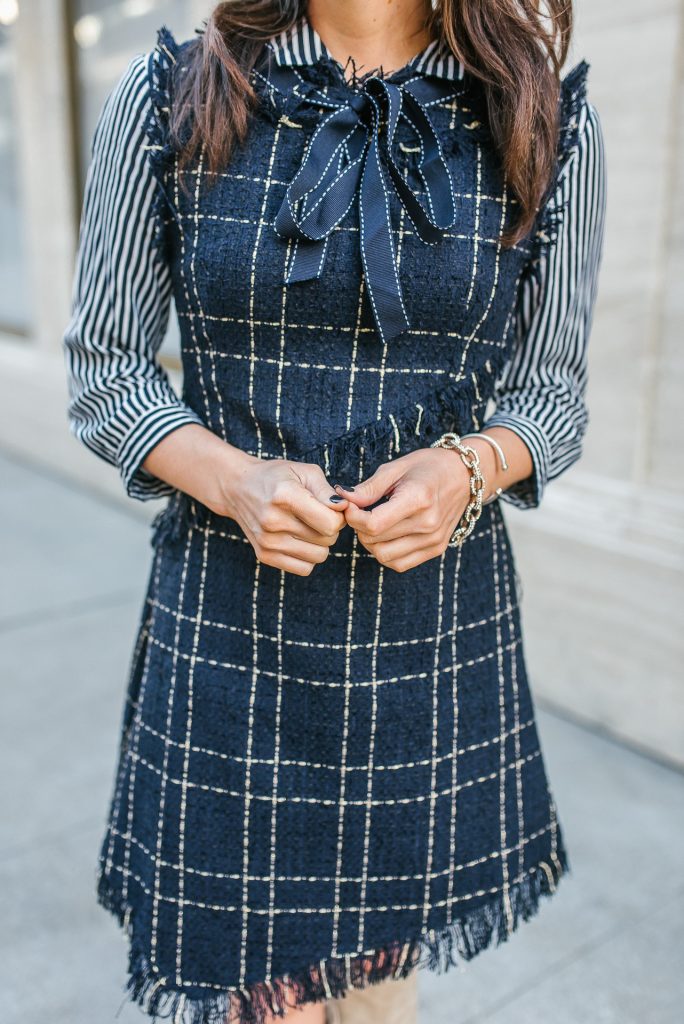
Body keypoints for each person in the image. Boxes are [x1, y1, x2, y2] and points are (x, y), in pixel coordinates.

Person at [61, 2, 606, 1023]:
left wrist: (470, 467)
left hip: (428, 645)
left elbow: (554, 398)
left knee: (374, 1002)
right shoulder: (170, 96)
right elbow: (107, 371)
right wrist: (237, 481)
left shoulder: (535, 112)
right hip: (232, 635)